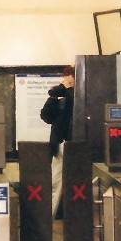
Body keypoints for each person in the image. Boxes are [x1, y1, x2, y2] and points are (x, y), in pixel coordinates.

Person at [48, 65, 75, 218]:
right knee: (56, 181)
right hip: (59, 143)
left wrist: (68, 90)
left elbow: (75, 108)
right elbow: (46, 116)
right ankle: (52, 214)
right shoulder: (61, 98)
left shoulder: (77, 95)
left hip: (73, 144)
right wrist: (53, 98)